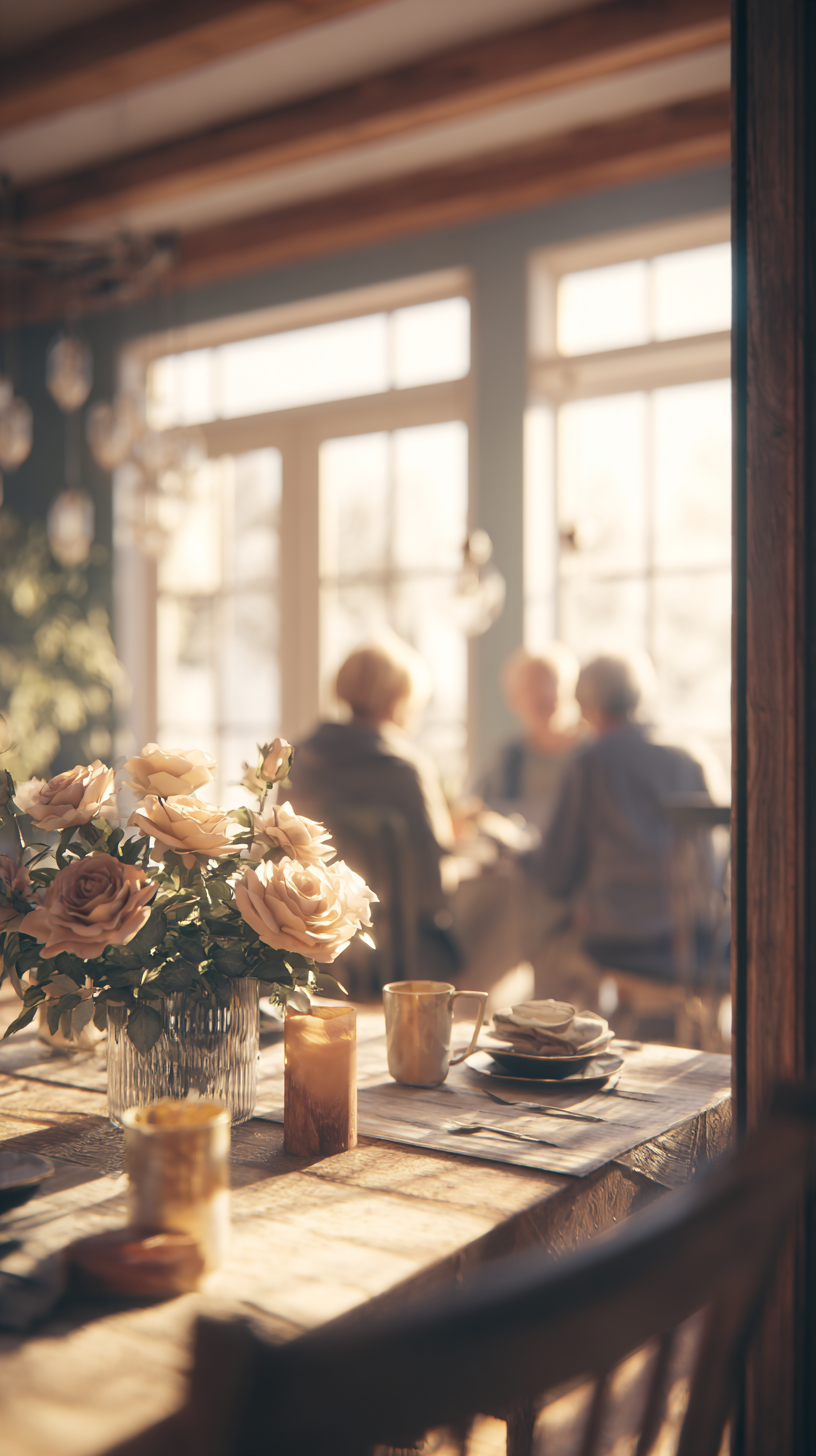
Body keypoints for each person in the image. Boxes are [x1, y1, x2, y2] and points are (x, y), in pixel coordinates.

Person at [525, 653, 713, 984]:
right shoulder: (690, 756)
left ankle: (566, 1020)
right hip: (692, 940)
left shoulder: (591, 762)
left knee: (541, 945)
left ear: (586, 706)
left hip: (618, 940)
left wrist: (518, 853)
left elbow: (556, 874)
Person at [288, 634, 459, 987]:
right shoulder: (404, 769)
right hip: (395, 952)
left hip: (310, 941)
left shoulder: (299, 760)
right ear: (400, 700)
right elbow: (434, 891)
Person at [476, 645, 581, 832]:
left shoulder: (592, 753)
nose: (544, 693)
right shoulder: (508, 758)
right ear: (514, 698)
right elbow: (480, 808)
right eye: (533, 684)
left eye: (551, 681)